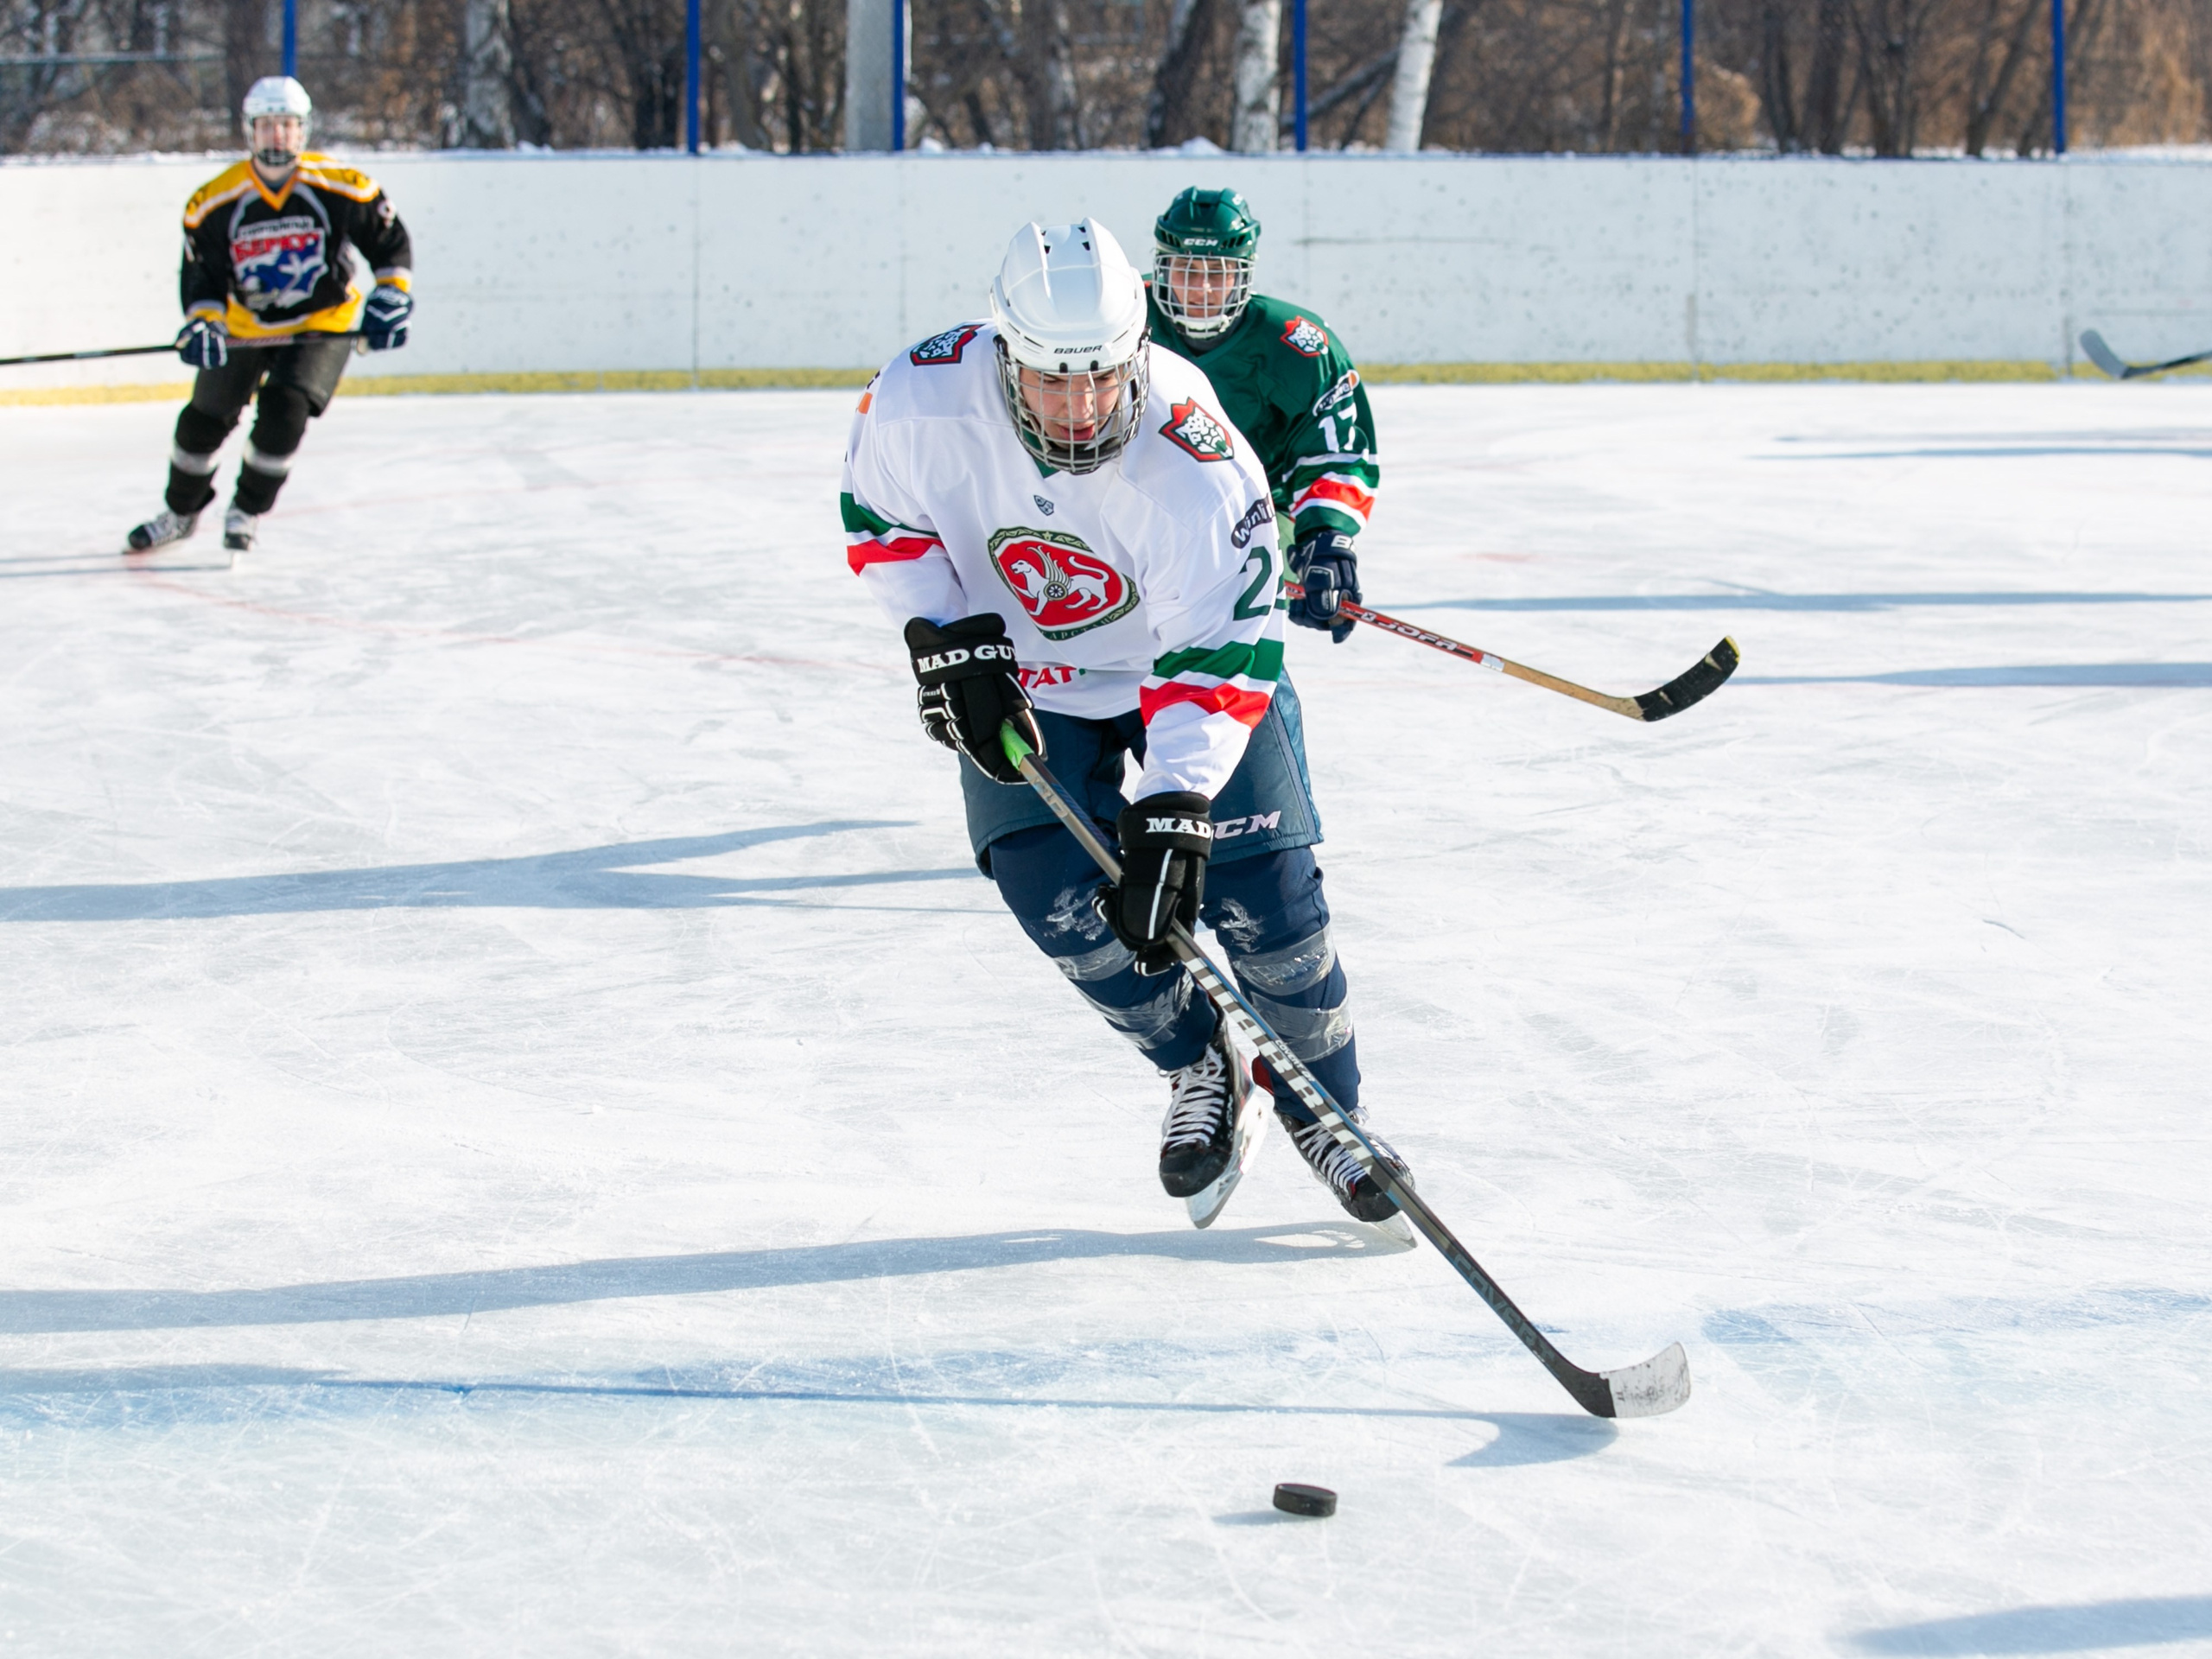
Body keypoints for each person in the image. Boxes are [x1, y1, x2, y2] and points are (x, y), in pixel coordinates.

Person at [842, 219, 1412, 1230]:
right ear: (1001, 352)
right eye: (1053, 382)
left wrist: (1178, 799)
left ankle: (1332, 1111)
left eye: (1103, 377)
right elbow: (880, 523)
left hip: (1182, 667)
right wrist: (946, 638)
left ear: (1137, 350)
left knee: (1262, 893)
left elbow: (1225, 648)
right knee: (1047, 887)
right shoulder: (918, 399)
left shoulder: (1194, 461)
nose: (1081, 408)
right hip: (1031, 677)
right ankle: (1200, 1067)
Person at [124, 75, 414, 556]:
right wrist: (203, 321)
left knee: (285, 412)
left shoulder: (343, 186)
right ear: (249, 131)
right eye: (267, 126)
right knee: (202, 422)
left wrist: (392, 294)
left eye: (287, 126)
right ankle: (180, 513)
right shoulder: (213, 201)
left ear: (304, 131)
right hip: (245, 326)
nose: (277, 136)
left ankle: (246, 511)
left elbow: (390, 242)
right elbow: (202, 277)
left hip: (322, 324)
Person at [1145, 188, 1379, 645]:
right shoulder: (1122, 319)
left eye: (1219, 273)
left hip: (1257, 511)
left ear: (1245, 274)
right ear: (1160, 268)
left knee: (1233, 638)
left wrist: (1326, 538)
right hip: (1136, 501)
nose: (1202, 289)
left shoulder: (1299, 346)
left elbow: (1336, 452)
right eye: (1186, 270)